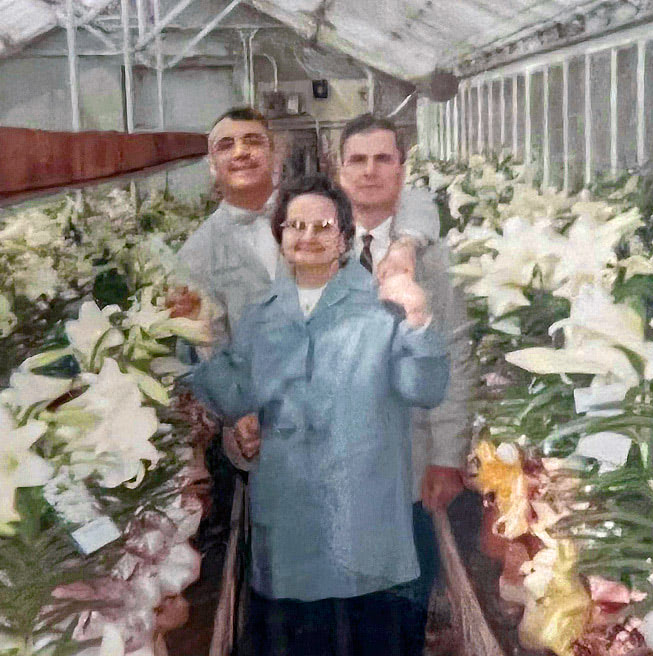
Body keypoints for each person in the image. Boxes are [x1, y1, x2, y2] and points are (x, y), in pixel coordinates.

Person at [187, 174, 449, 656]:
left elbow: (426, 388)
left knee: (375, 639)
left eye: (322, 226)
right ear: (280, 237)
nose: (307, 237)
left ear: (345, 238)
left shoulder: (381, 308)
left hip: (363, 517)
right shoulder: (262, 315)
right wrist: (195, 340)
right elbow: (233, 395)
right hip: (289, 517)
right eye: (295, 226)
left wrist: (418, 321)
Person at [177, 107, 441, 462]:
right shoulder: (195, 253)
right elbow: (208, 346)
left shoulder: (316, 205)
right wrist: (239, 415)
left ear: (275, 154)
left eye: (253, 141)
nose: (241, 152)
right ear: (212, 163)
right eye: (227, 145)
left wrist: (406, 243)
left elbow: (414, 199)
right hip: (270, 430)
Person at [336, 114, 476, 646]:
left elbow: (454, 355)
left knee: (400, 611)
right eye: (358, 159)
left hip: (408, 464)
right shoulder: (311, 247)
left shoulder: (433, 261)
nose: (370, 171)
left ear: (402, 169)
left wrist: (447, 455)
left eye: (383, 159)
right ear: (339, 169)